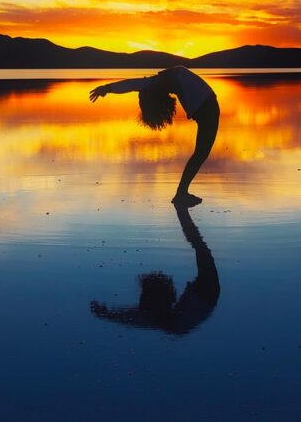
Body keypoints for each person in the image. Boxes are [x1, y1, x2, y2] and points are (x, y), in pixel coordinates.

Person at [89, 66, 219, 207]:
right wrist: (107, 88)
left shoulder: (158, 82)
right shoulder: (162, 81)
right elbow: (132, 85)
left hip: (207, 108)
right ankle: (181, 193)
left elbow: (132, 85)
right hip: (207, 109)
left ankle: (181, 193)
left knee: (200, 154)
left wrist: (107, 88)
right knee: (200, 154)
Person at [90, 203, 220, 335]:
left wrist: (109, 315)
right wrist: (109, 315)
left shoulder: (166, 321)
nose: (140, 300)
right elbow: (136, 318)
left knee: (199, 245)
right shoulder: (168, 322)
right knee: (199, 245)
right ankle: (182, 209)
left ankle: (182, 209)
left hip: (204, 297)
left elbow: (136, 318)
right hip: (205, 296)